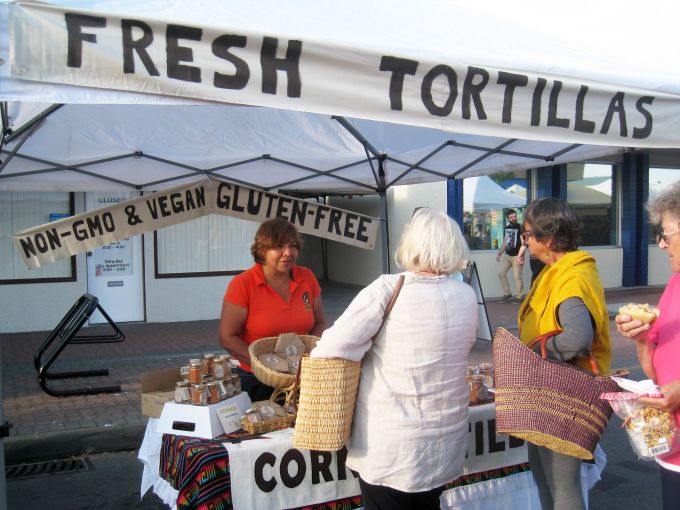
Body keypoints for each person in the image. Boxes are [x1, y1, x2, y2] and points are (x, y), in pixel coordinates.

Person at [310, 208, 478, 510]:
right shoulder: (465, 294)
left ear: (410, 244)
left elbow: (331, 347)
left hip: (393, 443)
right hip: (443, 439)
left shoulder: (389, 288)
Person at [516, 197, 611, 510]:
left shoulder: (571, 276)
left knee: (563, 487)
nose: (524, 240)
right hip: (546, 391)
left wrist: (532, 356)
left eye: (528, 234)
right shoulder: (554, 272)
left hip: (564, 395)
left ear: (549, 238)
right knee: (545, 479)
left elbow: (577, 338)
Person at [615, 181, 680, 510]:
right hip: (673, 449)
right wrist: (640, 336)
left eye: (666, 234)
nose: (661, 244)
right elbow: (654, 369)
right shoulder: (674, 284)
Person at [218, 218, 327, 400]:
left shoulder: (306, 277)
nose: (287, 253)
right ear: (262, 250)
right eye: (278, 246)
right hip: (255, 379)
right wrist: (266, 366)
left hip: (298, 377)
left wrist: (305, 358)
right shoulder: (243, 284)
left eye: (292, 245)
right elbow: (227, 338)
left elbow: (319, 322)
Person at [496, 208, 525, 303]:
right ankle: (507, 293)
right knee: (501, 273)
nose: (513, 218)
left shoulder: (521, 228)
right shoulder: (507, 228)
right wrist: (499, 253)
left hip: (517, 256)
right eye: (511, 217)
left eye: (514, 216)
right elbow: (505, 242)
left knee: (517, 277)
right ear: (508, 218)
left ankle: (519, 297)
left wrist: (521, 255)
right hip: (507, 255)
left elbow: (524, 243)